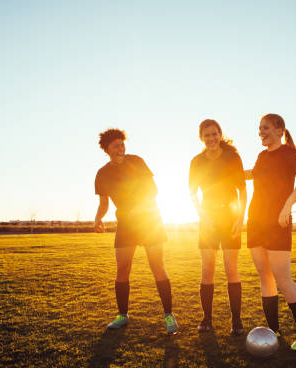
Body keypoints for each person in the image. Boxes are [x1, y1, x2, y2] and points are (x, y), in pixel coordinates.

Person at [94, 128, 178, 334]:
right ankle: (122, 315)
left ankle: (169, 315)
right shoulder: (102, 173)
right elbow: (104, 202)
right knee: (122, 268)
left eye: (122, 144)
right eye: (116, 145)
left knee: (157, 265)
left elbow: (153, 190)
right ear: (107, 150)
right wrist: (98, 217)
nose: (121, 148)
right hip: (126, 224)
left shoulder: (137, 161)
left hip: (149, 220)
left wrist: (137, 208)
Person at [245, 113, 296, 350]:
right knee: (265, 276)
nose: (260, 132)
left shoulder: (288, 152)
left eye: (265, 128)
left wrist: (288, 205)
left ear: (279, 130)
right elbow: (254, 174)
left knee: (283, 280)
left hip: (278, 222)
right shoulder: (262, 156)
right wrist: (226, 172)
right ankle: (273, 330)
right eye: (259, 128)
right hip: (255, 221)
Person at [189, 119, 247, 335]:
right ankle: (207, 319)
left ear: (220, 134)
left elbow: (242, 191)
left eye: (215, 134)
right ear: (201, 137)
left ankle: (237, 321)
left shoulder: (233, 158)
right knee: (208, 270)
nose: (211, 138)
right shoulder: (196, 162)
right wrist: (203, 215)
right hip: (208, 218)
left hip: (230, 216)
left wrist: (240, 219)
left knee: (231, 269)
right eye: (207, 135)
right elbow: (192, 192)